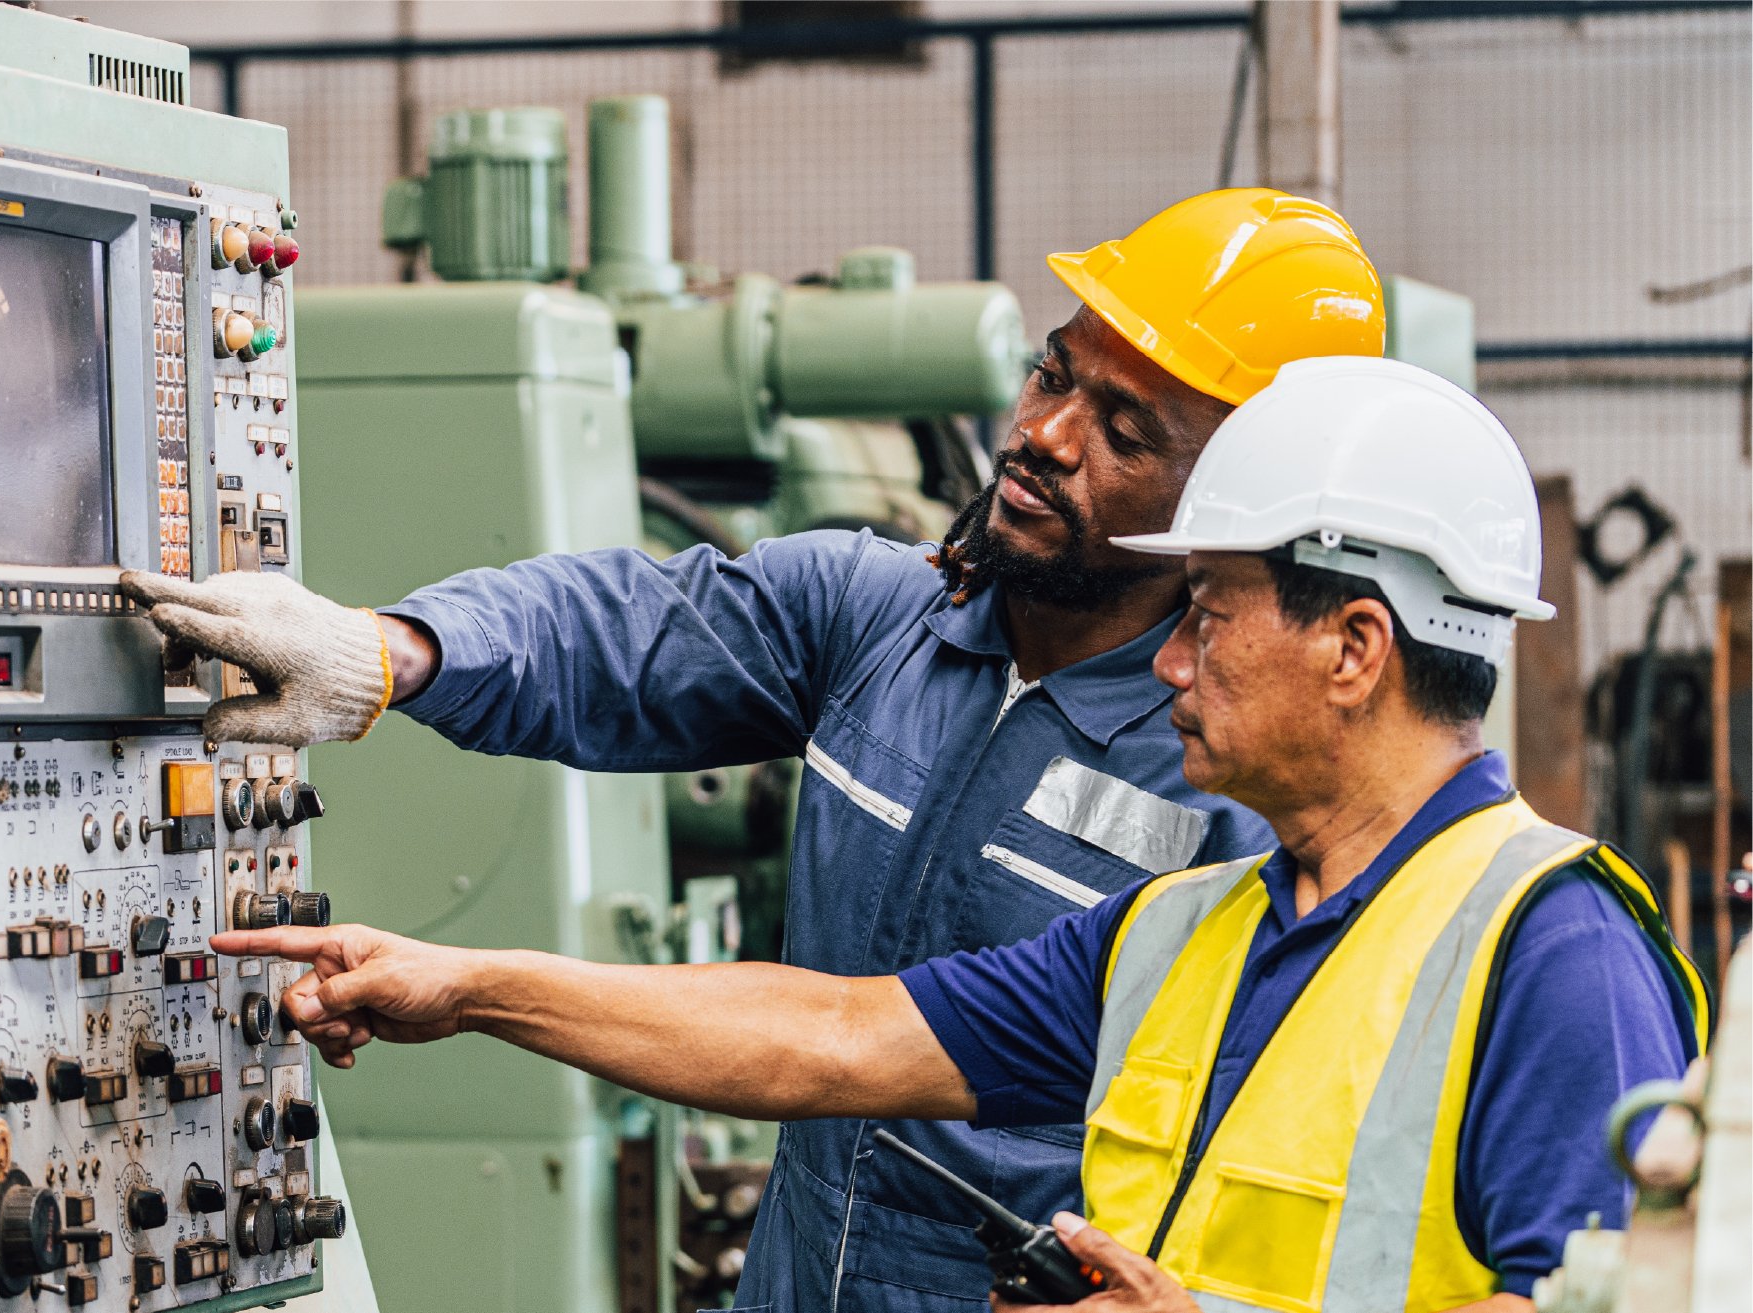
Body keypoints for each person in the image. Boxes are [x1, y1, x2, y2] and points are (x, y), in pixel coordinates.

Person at [217, 359, 1709, 1313]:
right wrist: (461, 986)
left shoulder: (1552, 956)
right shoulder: (1198, 934)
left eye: (1208, 619)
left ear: (1354, 645)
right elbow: (830, 1041)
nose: (1171, 665)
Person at [124, 188, 1386, 1310]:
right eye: (1053, 376)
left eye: (1124, 430)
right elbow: (622, 631)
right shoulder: (885, 619)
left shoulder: (1231, 779)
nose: (1046, 436)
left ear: (1237, 503)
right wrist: (386, 653)